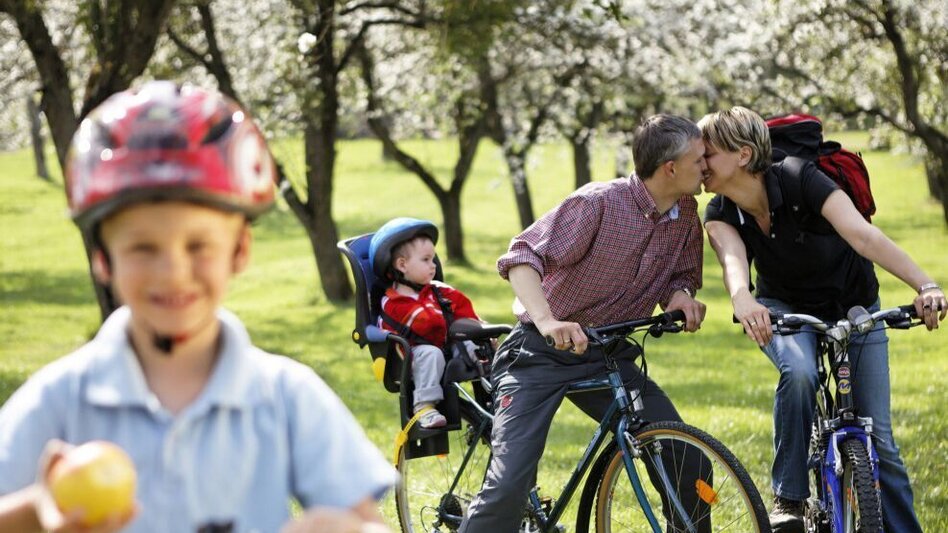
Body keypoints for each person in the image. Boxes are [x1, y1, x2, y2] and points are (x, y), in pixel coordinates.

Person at [0, 81, 397, 533]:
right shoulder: (60, 400)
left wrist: (343, 528)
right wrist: (35, 512)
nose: (173, 272)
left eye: (199, 245)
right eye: (143, 248)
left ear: (240, 249)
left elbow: (365, 522)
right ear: (102, 259)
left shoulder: (285, 397)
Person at [700, 106, 946, 533]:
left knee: (880, 441)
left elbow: (863, 235)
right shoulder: (720, 213)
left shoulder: (799, 177)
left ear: (742, 155)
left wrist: (925, 285)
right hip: (782, 308)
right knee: (797, 372)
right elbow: (733, 264)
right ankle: (789, 501)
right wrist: (743, 300)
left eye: (707, 154)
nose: (698, 164)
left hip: (853, 303)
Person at [459, 114, 709, 532]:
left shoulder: (685, 214)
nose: (707, 165)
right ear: (671, 168)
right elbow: (521, 257)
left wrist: (681, 297)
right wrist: (547, 321)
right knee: (509, 489)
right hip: (540, 355)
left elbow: (678, 276)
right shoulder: (598, 203)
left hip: (609, 357)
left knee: (688, 458)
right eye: (700, 158)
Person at [369, 217, 482, 429]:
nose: (434, 266)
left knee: (476, 343)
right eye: (426, 260)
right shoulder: (393, 302)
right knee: (431, 353)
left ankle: (496, 390)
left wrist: (477, 328)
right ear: (402, 265)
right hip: (410, 358)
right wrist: (446, 317)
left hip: (443, 346)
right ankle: (424, 407)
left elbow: (463, 309)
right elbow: (426, 323)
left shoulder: (438, 291)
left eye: (434, 259)